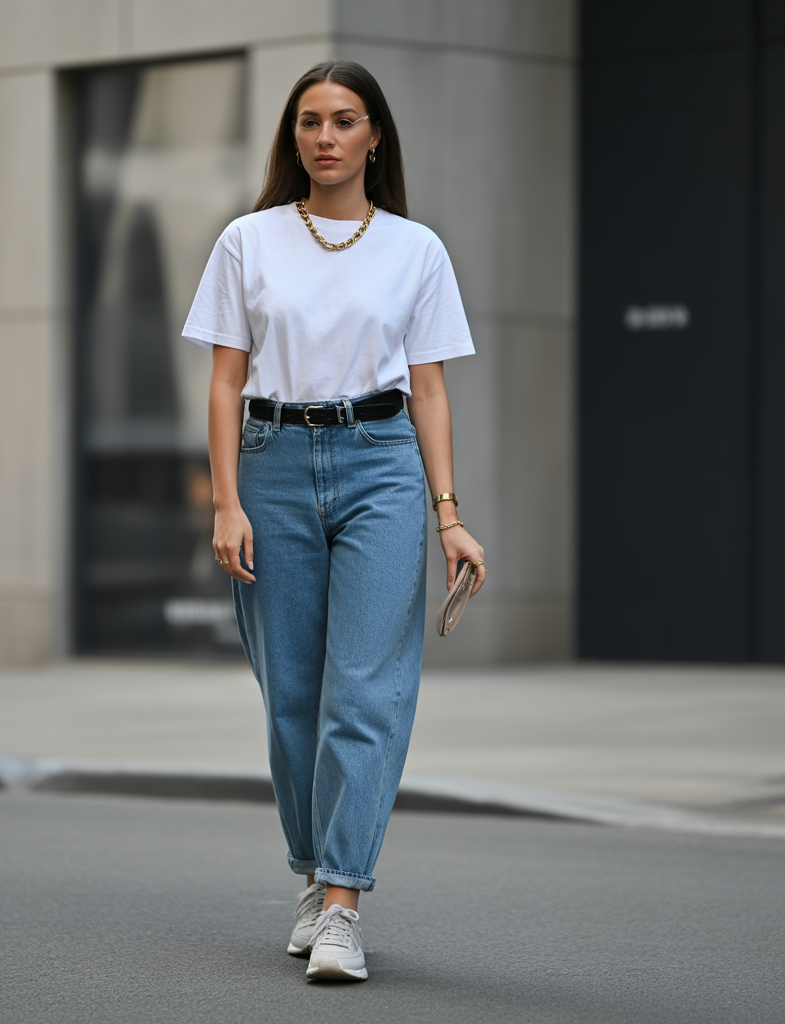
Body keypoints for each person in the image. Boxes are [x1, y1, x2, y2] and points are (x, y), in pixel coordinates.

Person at [183, 59, 485, 982]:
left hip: (383, 467)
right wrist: (227, 500)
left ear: (374, 136)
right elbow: (227, 379)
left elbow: (429, 388)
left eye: (344, 120)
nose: (325, 137)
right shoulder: (249, 240)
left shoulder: (416, 249)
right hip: (271, 468)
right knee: (293, 702)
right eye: (310, 121)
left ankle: (345, 901)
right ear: (294, 136)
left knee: (366, 690)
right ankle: (312, 875)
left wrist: (449, 516)